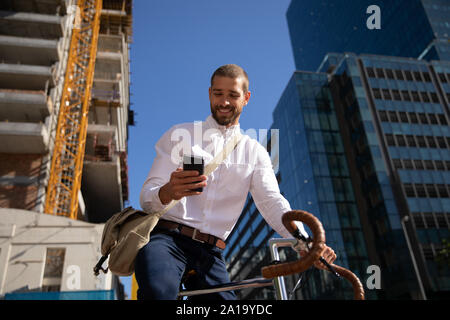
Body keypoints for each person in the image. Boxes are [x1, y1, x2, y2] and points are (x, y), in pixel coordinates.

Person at [136, 64, 336, 300]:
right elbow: (147, 200)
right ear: (210, 93)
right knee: (157, 292)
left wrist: (305, 243)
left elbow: (272, 202)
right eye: (218, 94)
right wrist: (168, 191)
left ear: (246, 98)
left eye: (233, 95)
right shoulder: (179, 134)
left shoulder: (255, 152)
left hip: (211, 253)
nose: (224, 102)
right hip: (167, 240)